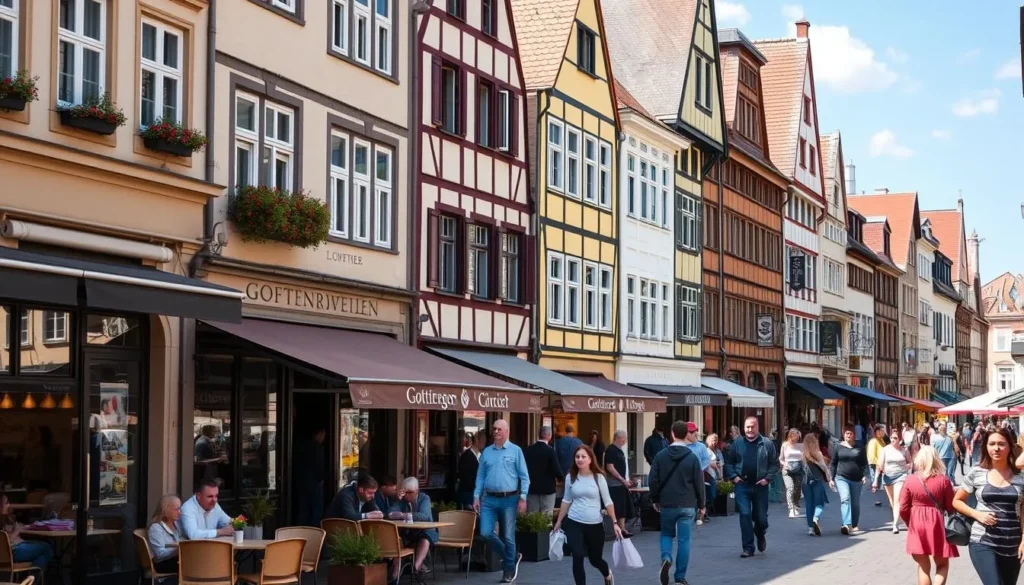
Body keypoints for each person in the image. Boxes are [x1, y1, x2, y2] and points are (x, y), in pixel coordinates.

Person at [954, 426, 1024, 585]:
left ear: (1010, 446)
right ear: (986, 446)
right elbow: (956, 501)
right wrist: (976, 514)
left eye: (1001, 444)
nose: (996, 448)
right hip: (983, 542)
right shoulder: (976, 472)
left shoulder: (1021, 478)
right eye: (992, 444)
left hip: (1012, 544)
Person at [552, 445, 621, 585]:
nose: (580, 459)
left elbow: (608, 501)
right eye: (577, 457)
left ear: (590, 459)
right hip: (574, 522)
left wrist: (615, 523)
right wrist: (559, 521)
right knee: (577, 556)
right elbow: (566, 500)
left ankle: (607, 573)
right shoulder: (570, 477)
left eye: (583, 457)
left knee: (595, 560)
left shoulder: (598, 478)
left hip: (594, 524)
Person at [473, 419, 530, 584]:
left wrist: (523, 497)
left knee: (508, 536)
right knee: (485, 533)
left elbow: (524, 477)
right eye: (494, 429)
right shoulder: (487, 452)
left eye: (499, 429)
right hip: (489, 499)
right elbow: (480, 476)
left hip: (509, 499)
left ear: (507, 432)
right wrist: (476, 496)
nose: (496, 431)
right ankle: (510, 556)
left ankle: (508, 570)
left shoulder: (516, 451)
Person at [649, 420, 705, 585]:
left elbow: (653, 480)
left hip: (667, 503)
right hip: (687, 504)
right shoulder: (692, 457)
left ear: (672, 434)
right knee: (684, 540)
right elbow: (699, 483)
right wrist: (702, 505)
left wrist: (655, 499)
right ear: (686, 434)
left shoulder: (660, 456)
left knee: (666, 534)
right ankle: (680, 577)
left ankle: (666, 557)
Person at [899, 446, 958, 585]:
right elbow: (951, 506)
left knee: (923, 566)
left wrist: (910, 523)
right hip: (936, 523)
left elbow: (903, 507)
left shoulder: (910, 480)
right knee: (942, 564)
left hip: (916, 524)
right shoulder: (944, 480)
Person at [725, 416, 779, 558]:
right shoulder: (737, 444)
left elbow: (774, 464)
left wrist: (767, 479)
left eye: (752, 427)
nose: (749, 429)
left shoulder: (766, 443)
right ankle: (748, 548)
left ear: (757, 427)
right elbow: (729, 463)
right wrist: (734, 477)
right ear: (744, 428)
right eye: (747, 427)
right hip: (742, 486)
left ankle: (760, 533)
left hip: (760, 486)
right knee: (745, 515)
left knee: (761, 519)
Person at [829, 425, 870, 535]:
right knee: (845, 498)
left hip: (857, 479)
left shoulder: (859, 447)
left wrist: (865, 475)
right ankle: (846, 524)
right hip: (841, 477)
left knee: (855, 503)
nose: (849, 435)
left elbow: (864, 464)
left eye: (851, 433)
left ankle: (854, 524)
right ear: (843, 434)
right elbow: (833, 463)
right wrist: (831, 478)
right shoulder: (838, 447)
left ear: (854, 435)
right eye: (847, 433)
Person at [394, 477, 438, 579]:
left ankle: (416, 568)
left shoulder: (424, 498)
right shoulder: (401, 499)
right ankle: (395, 573)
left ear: (417, 491)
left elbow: (423, 516)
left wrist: (403, 515)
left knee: (425, 538)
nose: (407, 495)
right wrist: (397, 499)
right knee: (396, 537)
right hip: (408, 532)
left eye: (410, 492)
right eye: (405, 492)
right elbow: (390, 512)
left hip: (425, 531)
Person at [0, 492, 53, 569]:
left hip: (16, 547)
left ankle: (31, 578)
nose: (9, 505)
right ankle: (32, 577)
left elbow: (10, 531)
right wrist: (17, 530)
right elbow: (8, 539)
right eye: (6, 503)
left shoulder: (5, 518)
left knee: (43, 552)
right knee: (47, 548)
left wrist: (28, 526)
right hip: (12, 552)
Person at [874, 428, 912, 534]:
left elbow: (910, 462)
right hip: (888, 477)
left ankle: (895, 524)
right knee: (892, 502)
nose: (892, 439)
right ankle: (903, 518)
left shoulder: (904, 450)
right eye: (891, 437)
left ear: (900, 439)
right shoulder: (885, 449)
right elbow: (880, 464)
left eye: (895, 438)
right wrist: (875, 480)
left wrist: (908, 466)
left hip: (901, 476)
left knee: (897, 500)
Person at [603, 430, 635, 536]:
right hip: (614, 484)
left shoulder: (619, 450)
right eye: (624, 438)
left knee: (623, 506)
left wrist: (626, 480)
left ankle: (622, 529)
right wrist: (622, 479)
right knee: (618, 506)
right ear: (618, 437)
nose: (625, 440)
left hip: (620, 483)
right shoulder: (611, 450)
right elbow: (610, 467)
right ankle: (618, 529)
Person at [524, 426, 563, 515]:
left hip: (532, 488)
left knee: (532, 516)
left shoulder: (528, 450)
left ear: (539, 435)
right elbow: (557, 470)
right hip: (547, 489)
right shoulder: (550, 451)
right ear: (549, 435)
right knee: (546, 516)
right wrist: (562, 478)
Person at [293, 426, 326, 527]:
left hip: (301, 483)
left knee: (303, 510)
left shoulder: (300, 446)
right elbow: (318, 466)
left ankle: (301, 531)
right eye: (323, 435)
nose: (323, 438)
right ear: (318, 434)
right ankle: (314, 533)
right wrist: (321, 479)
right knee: (316, 510)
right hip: (314, 484)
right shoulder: (317, 448)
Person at [800, 433, 831, 536]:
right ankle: (816, 518)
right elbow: (823, 467)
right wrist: (829, 478)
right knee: (820, 503)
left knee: (809, 504)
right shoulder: (818, 453)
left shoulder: (802, 454)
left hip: (805, 482)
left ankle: (810, 528)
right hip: (817, 480)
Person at [147, 494, 182, 573]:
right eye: (176, 509)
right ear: (166, 510)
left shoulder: (176, 524)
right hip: (162, 564)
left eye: (180, 509)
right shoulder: (156, 527)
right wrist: (177, 550)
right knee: (194, 563)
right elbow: (159, 554)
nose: (180, 512)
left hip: (176, 559)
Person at [778, 428, 804, 518]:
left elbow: (804, 457)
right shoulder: (785, 445)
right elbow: (781, 458)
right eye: (795, 435)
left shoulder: (801, 445)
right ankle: (791, 509)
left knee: (798, 489)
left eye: (798, 436)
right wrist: (785, 464)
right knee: (790, 488)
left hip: (799, 469)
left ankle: (796, 505)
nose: (797, 437)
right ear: (791, 435)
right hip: (787, 469)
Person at [457, 431, 486, 510]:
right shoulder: (466, 457)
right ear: (476, 440)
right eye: (482, 440)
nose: (484, 442)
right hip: (468, 496)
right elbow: (467, 479)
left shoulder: (480, 456)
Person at [866, 424, 887, 507]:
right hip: (875, 465)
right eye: (882, 431)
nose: (884, 432)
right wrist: (879, 464)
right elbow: (871, 456)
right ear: (877, 432)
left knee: (880, 481)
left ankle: (880, 498)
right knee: (875, 481)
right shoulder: (873, 441)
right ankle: (877, 499)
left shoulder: (881, 440)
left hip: (881, 464)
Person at [705, 434, 724, 516]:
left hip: (717, 475)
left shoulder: (718, 451)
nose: (714, 442)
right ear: (707, 441)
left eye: (715, 440)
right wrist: (710, 464)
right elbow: (703, 462)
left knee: (714, 494)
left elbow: (722, 462)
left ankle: (708, 511)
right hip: (708, 475)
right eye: (712, 440)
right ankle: (705, 510)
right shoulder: (705, 451)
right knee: (711, 494)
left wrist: (721, 475)